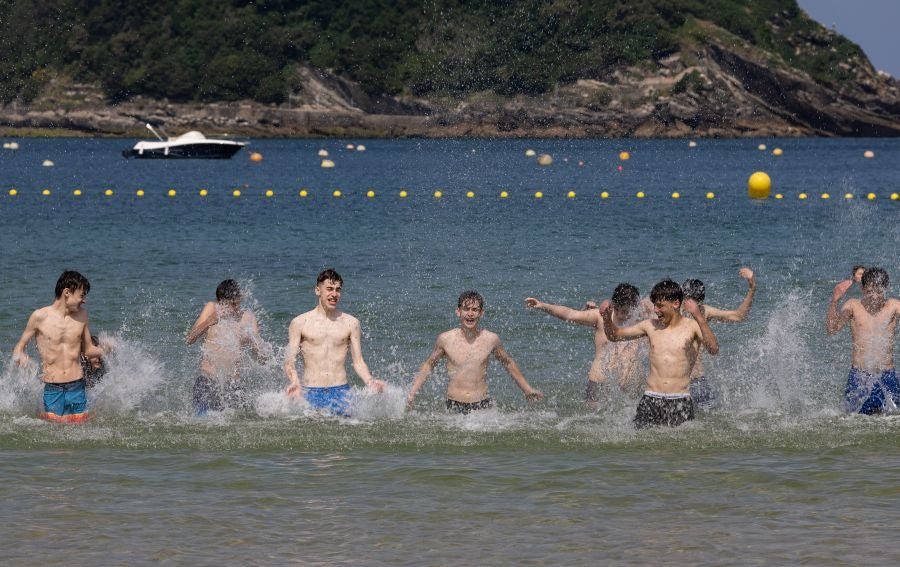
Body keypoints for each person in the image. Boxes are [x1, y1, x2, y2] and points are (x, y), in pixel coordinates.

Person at [601, 279, 719, 428]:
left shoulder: (693, 327)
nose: (656, 310)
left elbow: (714, 349)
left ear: (675, 304)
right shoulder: (649, 326)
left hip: (680, 400)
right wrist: (606, 317)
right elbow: (615, 335)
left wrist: (700, 318)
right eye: (655, 305)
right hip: (650, 399)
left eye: (660, 306)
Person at [408, 291, 543, 414]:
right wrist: (412, 393)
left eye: (475, 310)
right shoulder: (445, 339)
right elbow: (429, 364)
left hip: (482, 405)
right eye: (466, 309)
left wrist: (527, 389)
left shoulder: (491, 339)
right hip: (454, 405)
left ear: (481, 313)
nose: (470, 313)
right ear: (458, 311)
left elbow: (508, 363)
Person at [12, 270, 111, 422]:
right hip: (53, 389)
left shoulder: (82, 315)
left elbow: (89, 350)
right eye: (82, 295)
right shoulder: (39, 316)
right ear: (67, 292)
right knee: (55, 432)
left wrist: (107, 348)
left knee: (79, 431)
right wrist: (21, 356)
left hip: (77, 386)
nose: (84, 300)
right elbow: (19, 347)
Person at [284, 269, 386, 415]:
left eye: (338, 290)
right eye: (329, 289)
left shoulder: (351, 323)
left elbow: (358, 361)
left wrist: (370, 381)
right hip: (310, 391)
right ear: (318, 291)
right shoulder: (300, 323)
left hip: (341, 391)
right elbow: (289, 360)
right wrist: (294, 382)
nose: (334, 294)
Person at [525, 284, 644, 407]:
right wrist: (543, 305)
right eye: (617, 309)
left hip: (631, 389)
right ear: (613, 304)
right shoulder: (600, 317)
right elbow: (570, 314)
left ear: (635, 307)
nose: (620, 315)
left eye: (625, 311)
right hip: (599, 383)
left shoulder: (642, 323)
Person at [826, 267, 900, 414]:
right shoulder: (853, 305)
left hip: (887, 376)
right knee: (854, 420)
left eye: (879, 292)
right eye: (869, 291)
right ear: (863, 288)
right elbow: (832, 329)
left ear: (885, 289)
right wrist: (834, 301)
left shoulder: (894, 306)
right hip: (859, 377)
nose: (874, 296)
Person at [681, 267, 756, 410]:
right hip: (676, 381)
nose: (690, 306)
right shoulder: (673, 313)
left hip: (697, 381)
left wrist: (752, 289)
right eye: (687, 301)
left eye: (695, 302)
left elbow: (739, 316)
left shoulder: (704, 311)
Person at [186, 279, 264, 415]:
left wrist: (252, 340)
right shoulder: (211, 309)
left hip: (233, 385)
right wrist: (209, 321)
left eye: (235, 303)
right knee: (202, 423)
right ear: (219, 301)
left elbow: (261, 358)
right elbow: (189, 339)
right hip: (208, 381)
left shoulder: (247, 317)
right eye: (227, 304)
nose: (232, 308)